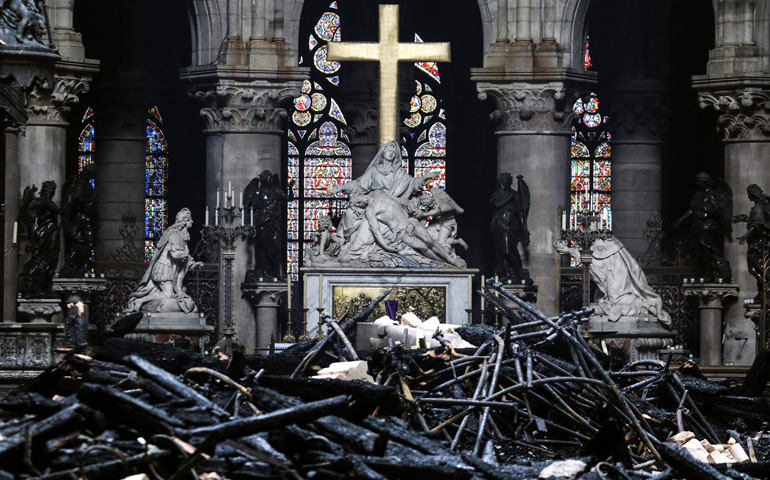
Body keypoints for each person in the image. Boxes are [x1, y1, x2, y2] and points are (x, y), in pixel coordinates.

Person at [554, 220, 672, 328]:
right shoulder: (598, 244)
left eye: (590, 226)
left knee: (619, 300)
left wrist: (571, 250)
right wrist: (571, 250)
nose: (587, 231)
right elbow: (591, 261)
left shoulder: (606, 244)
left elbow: (593, 262)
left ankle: (642, 304)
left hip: (617, 276)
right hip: (613, 276)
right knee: (611, 301)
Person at [126, 208, 202, 313]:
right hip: (164, 268)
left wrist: (192, 263)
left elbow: (183, 253)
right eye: (190, 219)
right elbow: (175, 254)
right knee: (168, 295)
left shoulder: (181, 234)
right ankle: (140, 301)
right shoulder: (174, 234)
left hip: (169, 268)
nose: (192, 222)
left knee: (167, 294)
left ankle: (141, 301)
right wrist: (184, 254)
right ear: (184, 221)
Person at [363, 191, 466, 268]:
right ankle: (443, 262)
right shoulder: (370, 209)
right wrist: (385, 246)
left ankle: (451, 261)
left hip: (410, 221)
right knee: (423, 247)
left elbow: (401, 200)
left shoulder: (381, 193)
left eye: (357, 200)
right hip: (401, 231)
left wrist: (410, 206)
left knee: (430, 241)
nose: (358, 201)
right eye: (356, 203)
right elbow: (376, 230)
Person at [673, 172, 733, 282]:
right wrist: (680, 220)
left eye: (699, 181)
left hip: (708, 226)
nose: (697, 183)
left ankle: (712, 272)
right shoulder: (697, 195)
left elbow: (718, 209)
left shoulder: (711, 194)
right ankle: (709, 270)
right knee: (698, 250)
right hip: (698, 226)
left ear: (704, 182)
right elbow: (692, 210)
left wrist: (706, 214)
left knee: (708, 250)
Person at [244, 171, 293, 280]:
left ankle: (274, 272)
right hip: (261, 223)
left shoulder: (276, 191)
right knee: (262, 248)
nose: (270, 180)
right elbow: (251, 207)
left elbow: (289, 198)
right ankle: (261, 271)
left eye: (270, 178)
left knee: (275, 247)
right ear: (263, 180)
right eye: (267, 178)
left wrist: (290, 188)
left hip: (273, 223)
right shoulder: (258, 192)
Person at [18, 181, 61, 297]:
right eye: (51, 190)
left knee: (51, 259)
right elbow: (59, 211)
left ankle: (45, 286)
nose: (52, 192)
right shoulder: (45, 201)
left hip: (49, 233)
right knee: (46, 260)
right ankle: (41, 286)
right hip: (46, 233)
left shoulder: (42, 201)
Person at [490, 173, 532, 284]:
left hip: (509, 226)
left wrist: (524, 229)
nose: (506, 181)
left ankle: (520, 273)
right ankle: (505, 274)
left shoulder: (515, 195)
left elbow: (520, 213)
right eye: (504, 179)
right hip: (498, 225)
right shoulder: (498, 194)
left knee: (508, 251)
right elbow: (496, 204)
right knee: (500, 253)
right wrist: (510, 197)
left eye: (508, 179)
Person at [733, 184, 770, 302]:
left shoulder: (758, 208)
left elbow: (757, 224)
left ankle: (765, 286)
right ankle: (763, 289)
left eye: (748, 193)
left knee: (754, 267)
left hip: (759, 243)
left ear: (752, 194)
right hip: (757, 242)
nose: (748, 196)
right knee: (757, 267)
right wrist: (744, 219)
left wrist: (745, 236)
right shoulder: (759, 207)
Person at [60, 164, 97, 277]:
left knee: (89, 242)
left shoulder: (87, 185)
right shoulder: (80, 185)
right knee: (87, 242)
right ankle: (72, 265)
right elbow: (78, 200)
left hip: (88, 217)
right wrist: (91, 200)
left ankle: (78, 265)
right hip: (81, 218)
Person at [417, 187, 468, 255]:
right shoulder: (431, 208)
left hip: (447, 223)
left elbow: (438, 212)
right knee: (427, 235)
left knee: (441, 243)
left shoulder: (442, 204)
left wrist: (423, 214)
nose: (424, 202)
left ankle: (458, 241)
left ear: (431, 199)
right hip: (437, 223)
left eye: (425, 199)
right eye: (422, 201)